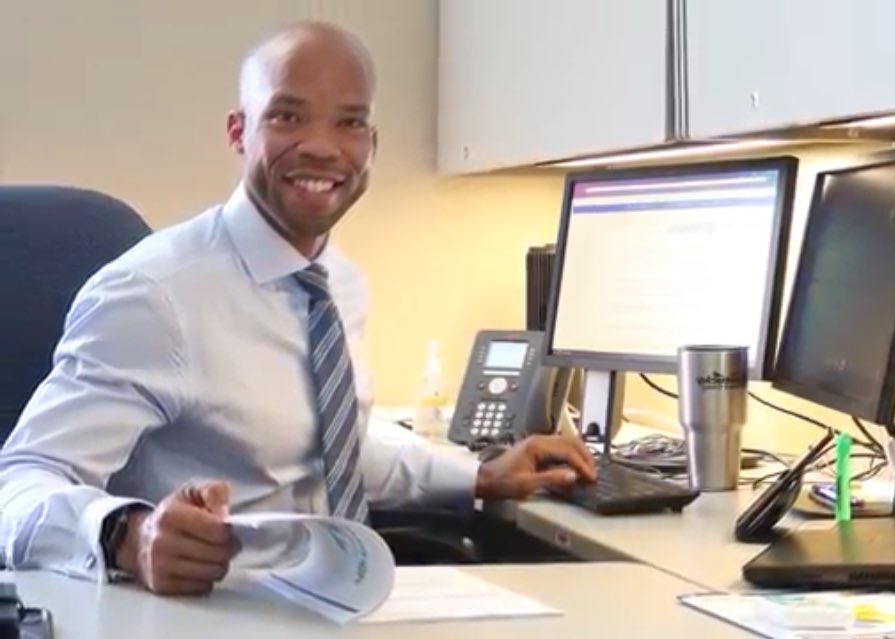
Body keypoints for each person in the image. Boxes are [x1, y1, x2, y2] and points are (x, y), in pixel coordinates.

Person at [0, 21, 595, 597]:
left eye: (350, 123)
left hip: (338, 596)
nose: (321, 146)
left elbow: (333, 450)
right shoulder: (156, 296)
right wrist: (127, 534)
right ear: (239, 131)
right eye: (288, 116)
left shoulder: (339, 283)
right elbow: (18, 484)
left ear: (371, 144)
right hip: (221, 607)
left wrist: (482, 477)